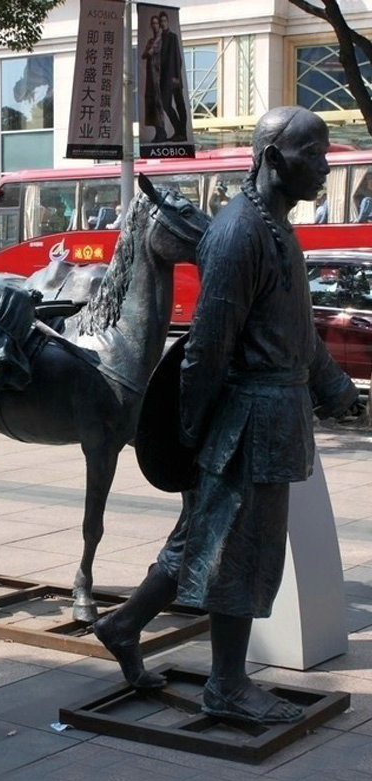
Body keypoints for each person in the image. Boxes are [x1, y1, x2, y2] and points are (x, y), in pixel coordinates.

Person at [94, 106, 364, 724]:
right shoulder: (240, 233)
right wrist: (190, 435)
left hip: (269, 418)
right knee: (241, 552)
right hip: (245, 427)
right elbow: (206, 349)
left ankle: (125, 625)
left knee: (202, 538)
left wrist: (332, 386)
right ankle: (227, 684)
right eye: (314, 154)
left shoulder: (276, 228)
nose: (325, 166)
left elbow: (296, 331)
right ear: (273, 158)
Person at [158, 12, 188, 142]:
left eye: (165, 21)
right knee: (167, 104)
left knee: (179, 104)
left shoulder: (173, 37)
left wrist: (176, 76)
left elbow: (177, 58)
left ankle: (182, 133)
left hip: (174, 78)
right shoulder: (160, 38)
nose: (163, 23)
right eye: (161, 21)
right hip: (165, 78)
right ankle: (179, 131)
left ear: (168, 22)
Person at [142, 15, 166, 143]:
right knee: (151, 102)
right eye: (153, 23)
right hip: (150, 76)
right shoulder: (151, 41)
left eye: (157, 23)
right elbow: (144, 55)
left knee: (158, 103)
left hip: (159, 75)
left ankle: (162, 132)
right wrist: (150, 50)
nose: (155, 26)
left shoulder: (162, 40)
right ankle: (158, 132)